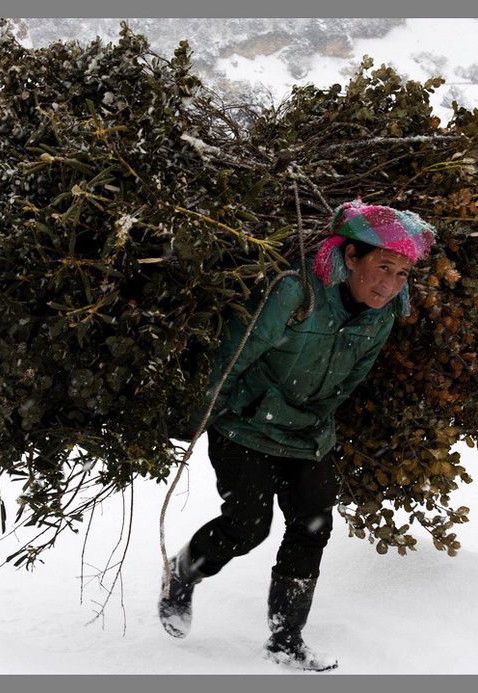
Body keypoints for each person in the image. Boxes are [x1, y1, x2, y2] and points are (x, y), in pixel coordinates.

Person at [159, 198, 437, 671]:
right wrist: (199, 411)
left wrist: (317, 416)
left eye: (402, 275)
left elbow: (354, 378)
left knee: (313, 527)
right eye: (383, 267)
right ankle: (182, 574)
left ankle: (285, 640)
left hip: (308, 434)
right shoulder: (296, 291)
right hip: (245, 424)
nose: (390, 285)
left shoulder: (381, 317)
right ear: (351, 257)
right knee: (248, 525)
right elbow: (235, 352)